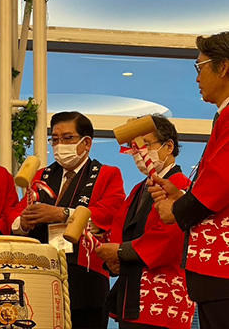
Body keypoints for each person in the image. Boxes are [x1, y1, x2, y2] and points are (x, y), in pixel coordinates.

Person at [8, 111, 125, 329]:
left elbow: (110, 211)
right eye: (55, 139)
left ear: (87, 142)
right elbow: (15, 212)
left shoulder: (107, 174)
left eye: (68, 138)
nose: (60, 144)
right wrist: (22, 223)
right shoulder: (40, 176)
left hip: (85, 274)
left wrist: (62, 214)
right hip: (40, 271)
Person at [150, 32, 229, 329]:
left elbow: (222, 181)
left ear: (223, 67)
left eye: (201, 67)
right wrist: (182, 193)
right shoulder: (223, 116)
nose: (197, 78)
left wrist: (178, 209)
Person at [96, 114, 195, 329]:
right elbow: (119, 226)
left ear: (168, 147)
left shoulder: (181, 187)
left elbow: (169, 239)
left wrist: (121, 252)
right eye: (135, 147)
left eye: (145, 145)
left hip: (164, 294)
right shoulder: (139, 189)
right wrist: (113, 258)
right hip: (132, 291)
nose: (139, 153)